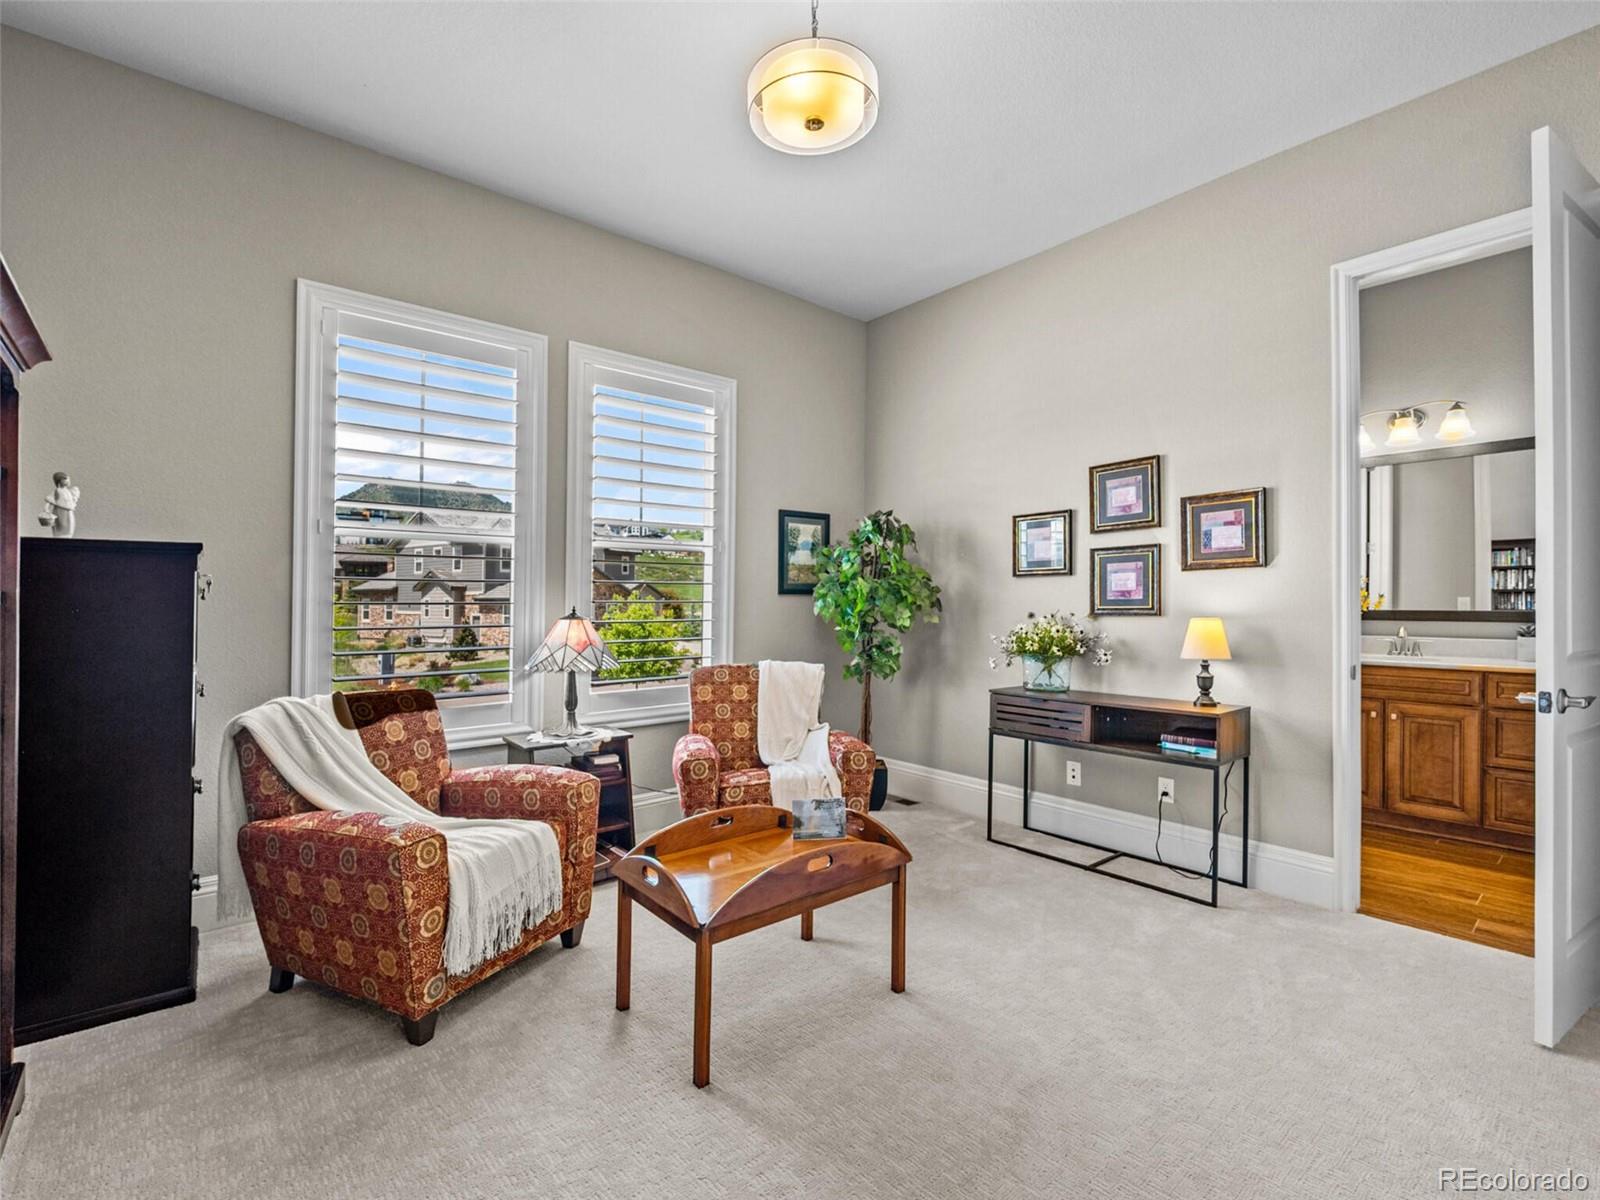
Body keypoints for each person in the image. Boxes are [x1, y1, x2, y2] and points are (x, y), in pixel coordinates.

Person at [38, 471, 79, 537]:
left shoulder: (68, 491)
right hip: (59, 512)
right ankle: (60, 536)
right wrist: (46, 509)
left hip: (68, 512)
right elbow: (50, 499)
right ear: (59, 481)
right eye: (65, 479)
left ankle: (68, 536)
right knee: (61, 525)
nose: (68, 481)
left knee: (70, 524)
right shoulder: (57, 491)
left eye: (68, 479)